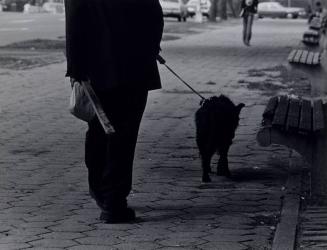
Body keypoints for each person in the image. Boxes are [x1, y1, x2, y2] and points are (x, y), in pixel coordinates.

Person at [64, 0, 164, 223]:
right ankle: (113, 202)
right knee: (124, 137)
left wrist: (75, 69)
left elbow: (74, 21)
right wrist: (151, 49)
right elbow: (154, 14)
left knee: (99, 129)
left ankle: (101, 190)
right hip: (135, 67)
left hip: (96, 68)